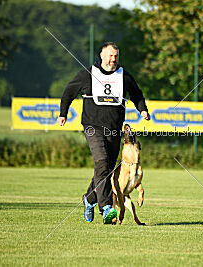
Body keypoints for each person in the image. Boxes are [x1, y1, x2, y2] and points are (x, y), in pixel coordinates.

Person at [57, 42, 150, 224]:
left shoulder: (123, 75)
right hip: (93, 127)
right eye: (110, 55)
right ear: (101, 55)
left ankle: (89, 199)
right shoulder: (88, 73)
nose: (113, 59)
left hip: (114, 129)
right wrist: (63, 113)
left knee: (106, 169)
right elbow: (69, 92)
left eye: (116, 56)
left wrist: (143, 109)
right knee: (102, 162)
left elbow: (136, 93)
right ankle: (106, 207)